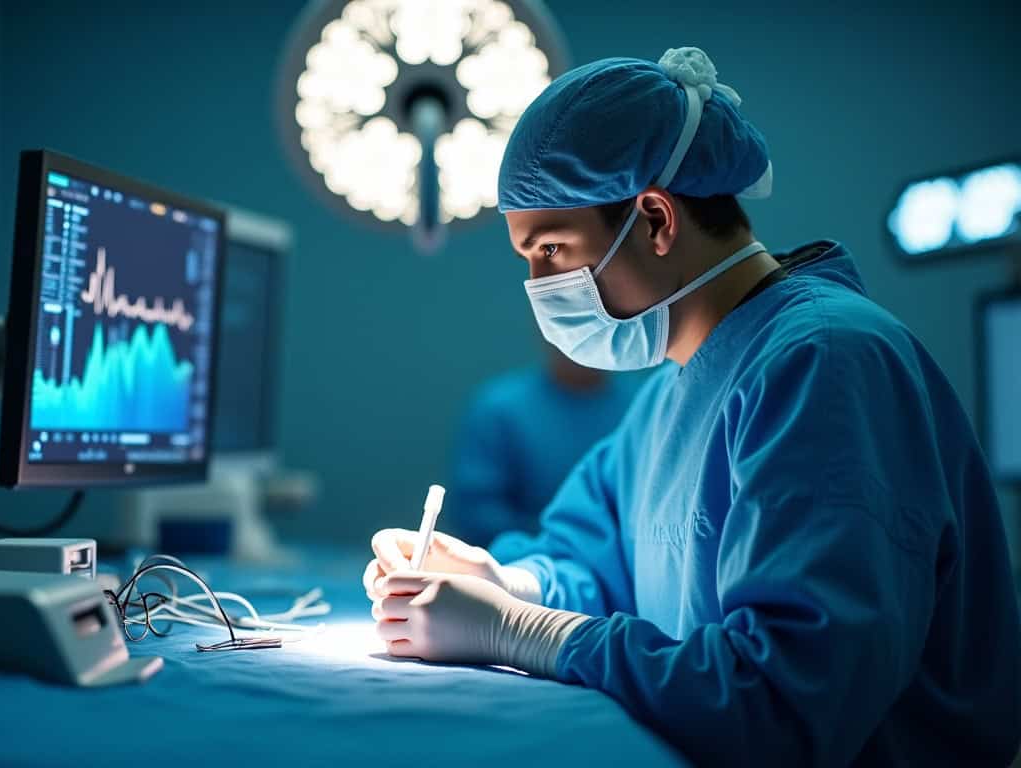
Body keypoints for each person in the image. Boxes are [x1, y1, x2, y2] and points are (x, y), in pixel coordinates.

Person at [362, 47, 1021, 766]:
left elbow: (783, 703)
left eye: (549, 248)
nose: (538, 283)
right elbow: (603, 563)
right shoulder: (675, 392)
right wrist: (505, 582)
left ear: (654, 219)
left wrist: (524, 632)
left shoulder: (827, 364)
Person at [448, 348, 638, 559]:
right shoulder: (501, 409)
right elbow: (476, 513)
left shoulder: (640, 407)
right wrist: (552, 551)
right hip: (518, 569)